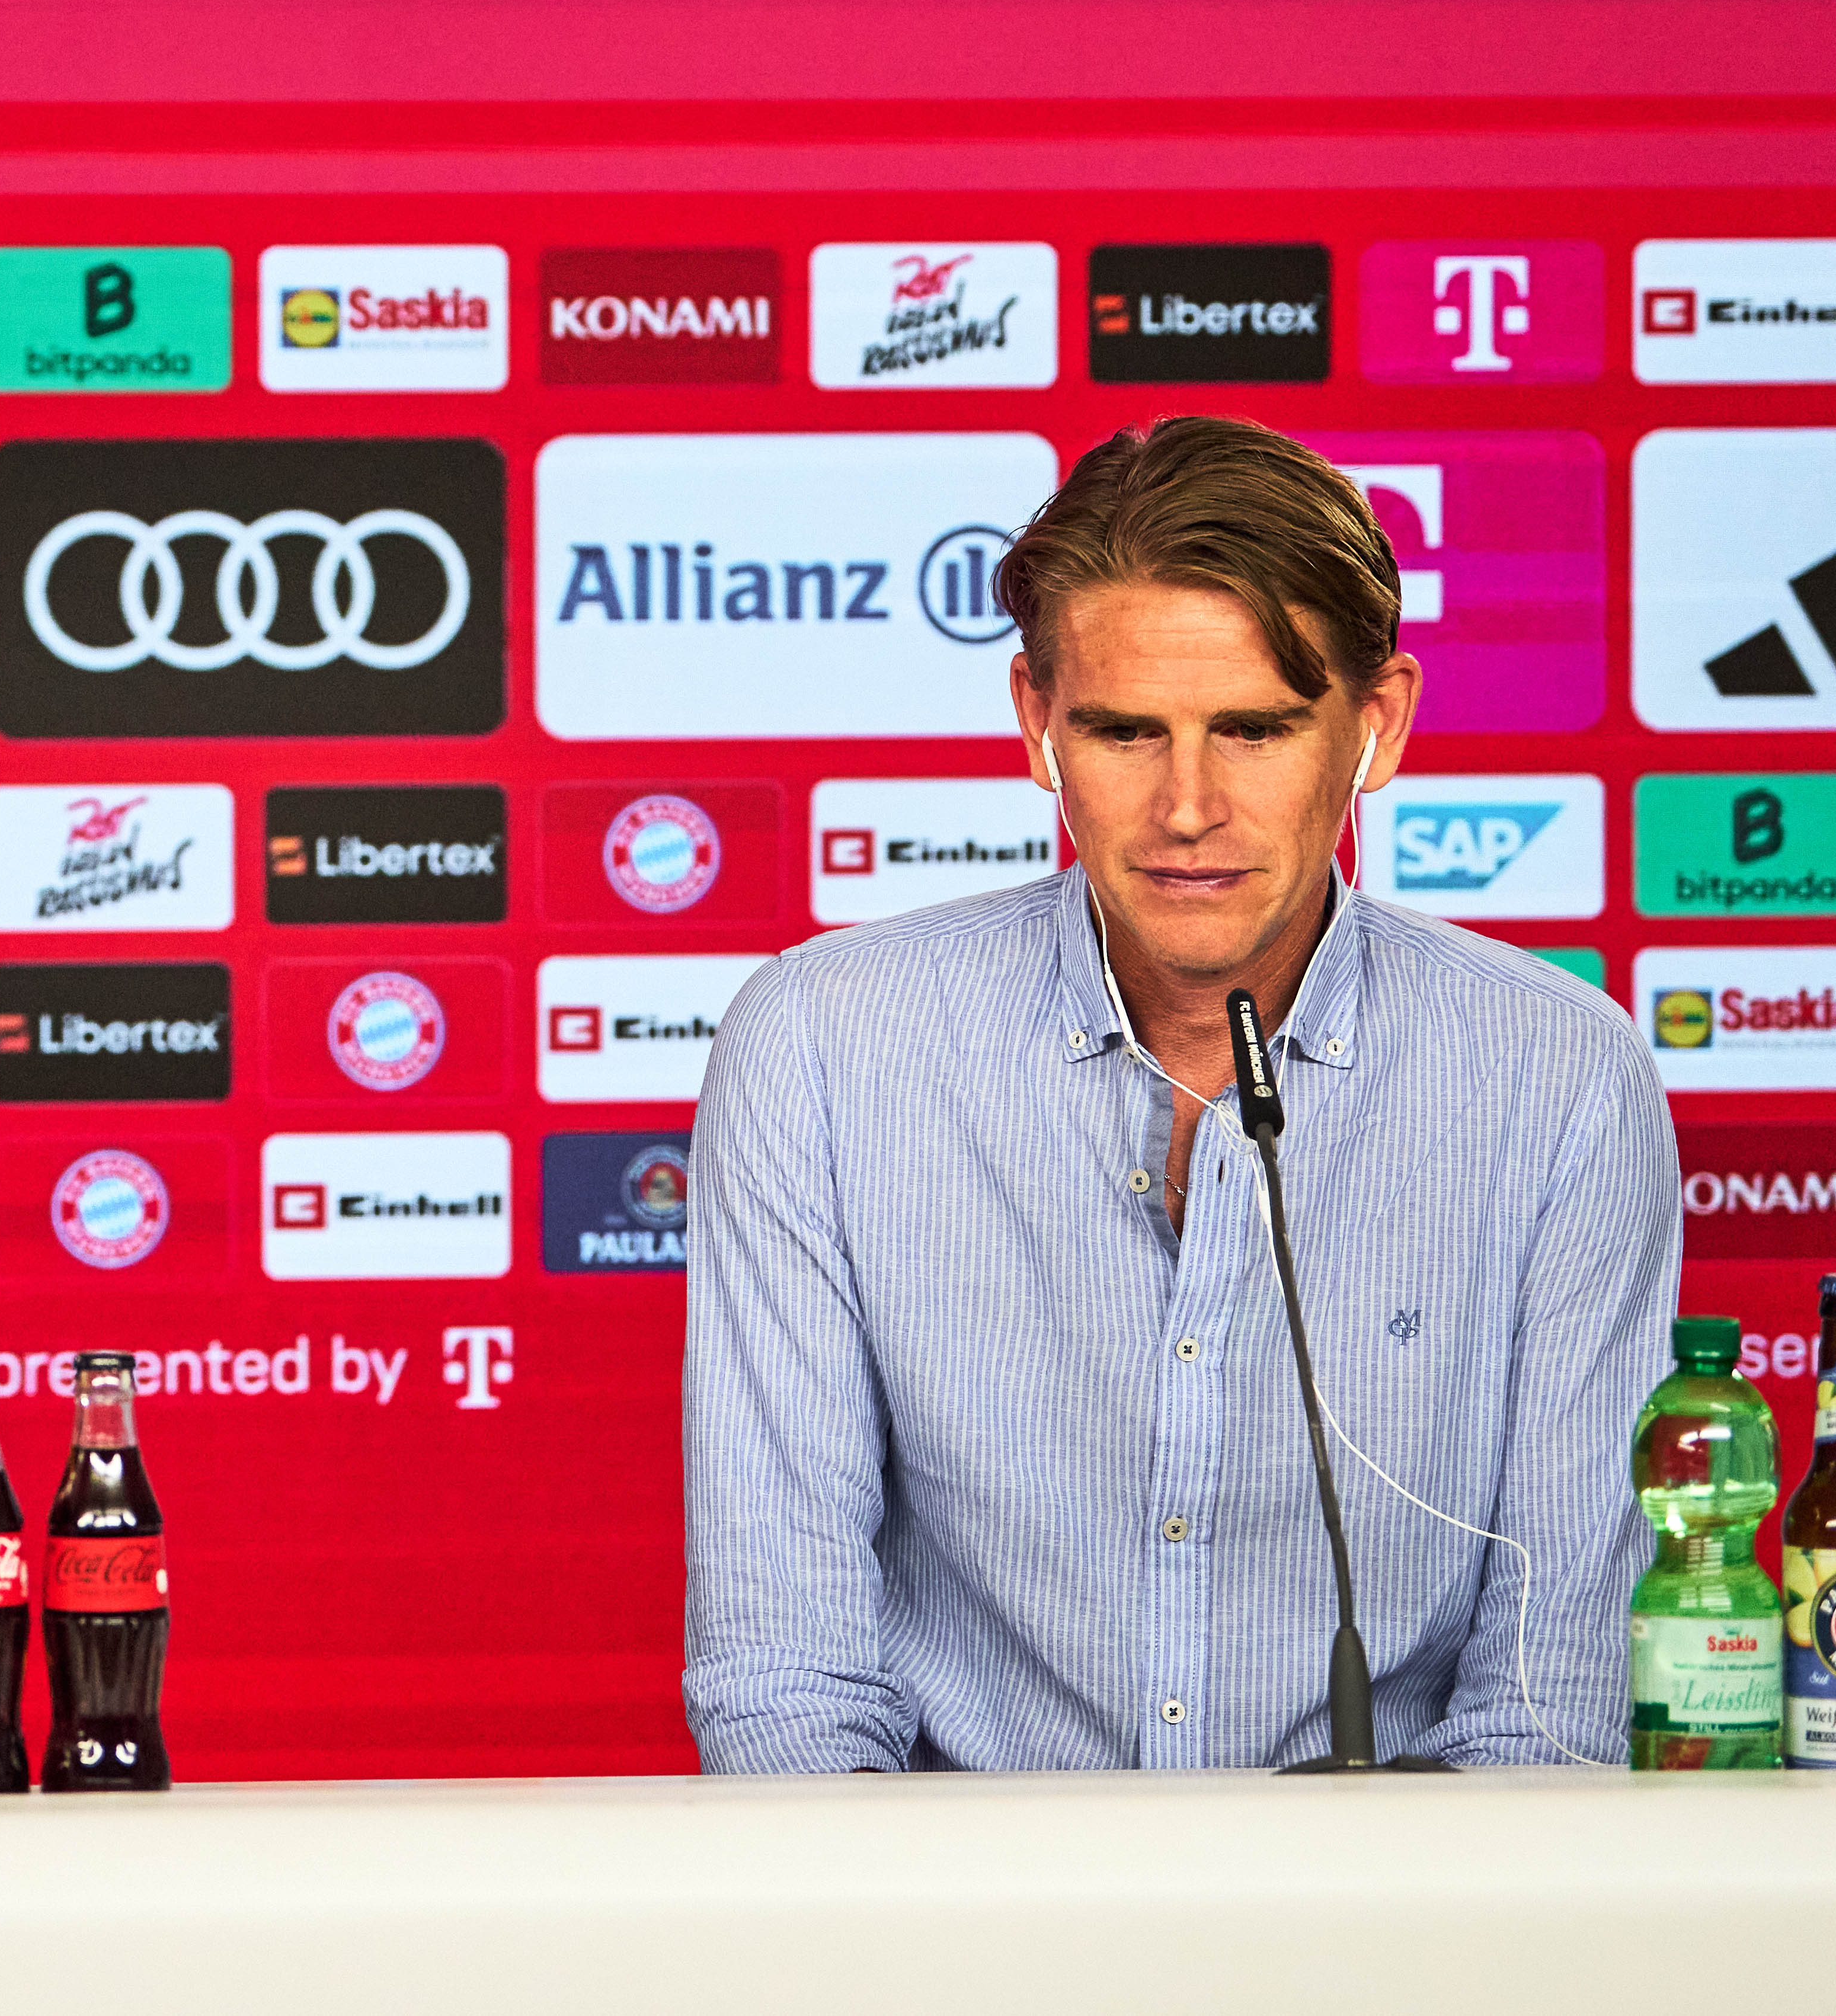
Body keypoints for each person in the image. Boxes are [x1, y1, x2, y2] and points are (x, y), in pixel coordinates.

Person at [682, 415, 1674, 1772]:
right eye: (1123, 730)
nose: (1188, 806)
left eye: (1257, 729)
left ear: (1376, 726)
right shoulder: (819, 1048)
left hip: (1397, 1939)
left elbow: (1548, 1701)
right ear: (1037, 722)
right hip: (953, 1940)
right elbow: (786, 1685)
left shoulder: (1561, 1077)